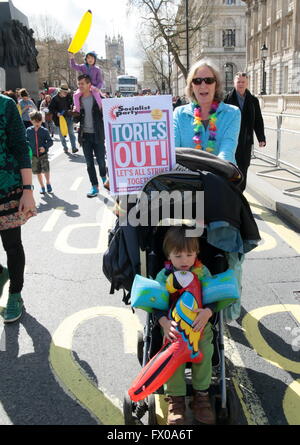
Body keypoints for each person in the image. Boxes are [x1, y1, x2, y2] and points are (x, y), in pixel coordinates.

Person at [153, 227, 216, 425]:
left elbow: (215, 297)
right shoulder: (164, 276)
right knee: (173, 357)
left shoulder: (202, 272)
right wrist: (163, 322)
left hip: (200, 326)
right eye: (177, 255)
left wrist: (208, 312)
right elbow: (156, 304)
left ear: (196, 253)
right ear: (169, 255)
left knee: (205, 352)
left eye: (189, 254)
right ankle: (176, 400)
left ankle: (201, 396)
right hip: (173, 329)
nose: (184, 260)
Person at [0, 93, 36, 323]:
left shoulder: (6, 105)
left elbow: (21, 148)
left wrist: (28, 190)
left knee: (12, 246)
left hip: (7, 189)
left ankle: (15, 294)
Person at [173, 60, 241, 164]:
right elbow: (173, 150)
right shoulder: (179, 114)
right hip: (187, 178)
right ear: (191, 86)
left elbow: (227, 150)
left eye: (209, 80)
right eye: (197, 81)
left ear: (216, 85)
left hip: (220, 176)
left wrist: (214, 172)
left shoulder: (232, 113)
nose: (203, 85)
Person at [224, 72, 266, 191]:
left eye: (243, 82)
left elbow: (258, 120)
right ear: (234, 83)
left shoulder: (253, 100)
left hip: (246, 141)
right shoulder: (226, 99)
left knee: (243, 167)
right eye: (238, 82)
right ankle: (230, 192)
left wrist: (261, 137)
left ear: (247, 83)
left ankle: (240, 193)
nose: (241, 84)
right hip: (230, 141)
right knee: (230, 167)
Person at [73, 74, 107, 198]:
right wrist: (73, 114)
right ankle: (94, 186)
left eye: (82, 83)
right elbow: (76, 119)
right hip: (85, 136)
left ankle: (104, 178)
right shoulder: (78, 99)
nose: (80, 86)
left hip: (98, 134)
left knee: (101, 161)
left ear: (89, 84)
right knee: (89, 164)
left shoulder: (98, 98)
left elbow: (108, 110)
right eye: (79, 84)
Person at [26, 111, 53, 194]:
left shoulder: (44, 130)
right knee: (37, 172)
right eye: (34, 122)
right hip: (34, 156)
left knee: (46, 170)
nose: (37, 124)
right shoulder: (28, 130)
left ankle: (48, 183)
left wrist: (44, 147)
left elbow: (50, 141)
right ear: (31, 121)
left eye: (39, 122)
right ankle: (42, 186)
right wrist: (27, 147)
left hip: (43, 155)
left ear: (42, 121)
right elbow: (26, 141)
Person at [48, 83, 78, 154]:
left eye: (66, 92)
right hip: (59, 120)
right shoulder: (54, 99)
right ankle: (65, 147)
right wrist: (56, 113)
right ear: (60, 91)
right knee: (62, 135)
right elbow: (50, 108)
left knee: (71, 133)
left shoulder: (69, 96)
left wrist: (72, 108)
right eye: (64, 92)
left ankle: (74, 147)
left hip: (68, 117)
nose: (65, 93)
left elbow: (72, 104)